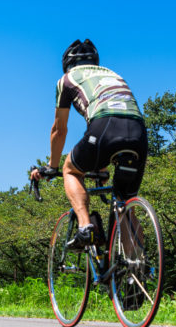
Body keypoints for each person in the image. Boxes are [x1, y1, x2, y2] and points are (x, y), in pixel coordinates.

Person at [30, 39, 148, 250]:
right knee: (124, 207)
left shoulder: (66, 79)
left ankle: (86, 227)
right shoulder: (113, 74)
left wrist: (52, 166)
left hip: (104, 125)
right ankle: (138, 268)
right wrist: (101, 169)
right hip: (138, 131)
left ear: (67, 64)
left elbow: (59, 129)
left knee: (71, 170)